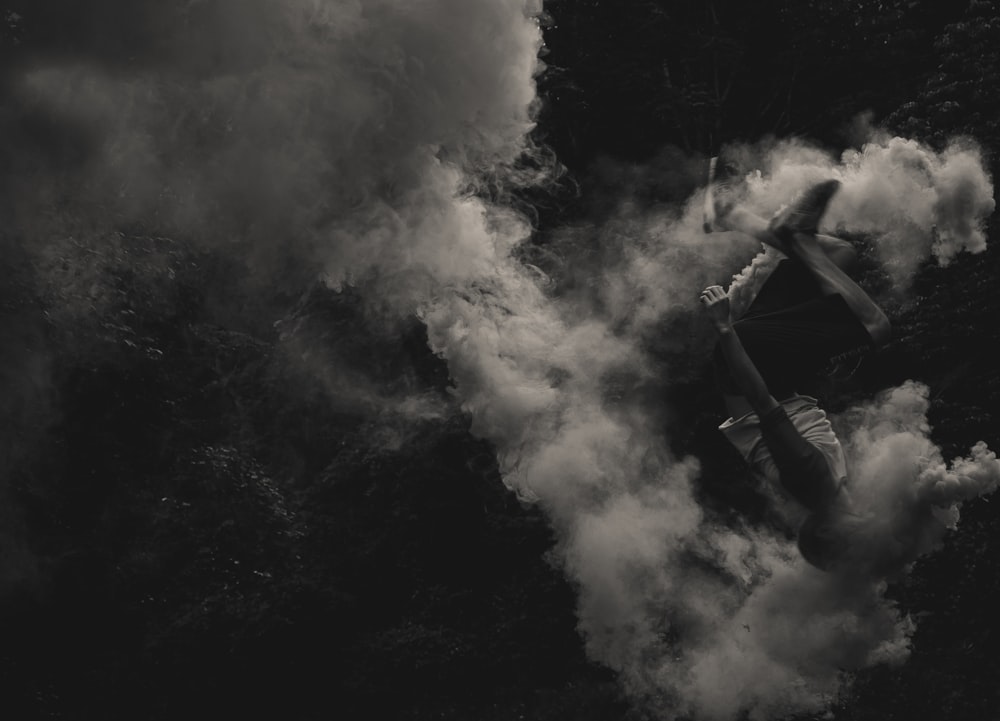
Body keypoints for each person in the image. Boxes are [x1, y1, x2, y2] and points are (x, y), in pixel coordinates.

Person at [699, 161, 891, 570]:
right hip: (769, 370)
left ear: (837, 529)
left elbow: (764, 406)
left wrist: (724, 329)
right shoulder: (828, 488)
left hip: (753, 362)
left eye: (861, 538)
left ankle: (793, 236)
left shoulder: (814, 482)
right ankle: (730, 214)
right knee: (840, 255)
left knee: (875, 327)